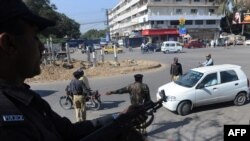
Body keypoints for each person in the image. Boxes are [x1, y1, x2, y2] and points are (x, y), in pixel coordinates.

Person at [0, 1, 147, 141]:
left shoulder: (30, 100)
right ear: (9, 44)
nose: (42, 47)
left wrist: (119, 118)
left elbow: (69, 132)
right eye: (34, 37)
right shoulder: (7, 114)